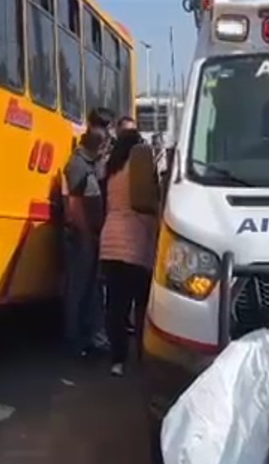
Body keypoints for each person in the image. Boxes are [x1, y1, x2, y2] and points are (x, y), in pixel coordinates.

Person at [98, 128, 160, 376]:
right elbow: (149, 205)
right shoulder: (138, 172)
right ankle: (143, 356)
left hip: (110, 241)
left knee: (116, 306)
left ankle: (117, 361)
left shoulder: (110, 170)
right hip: (135, 241)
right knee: (142, 304)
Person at [62, 126, 110, 358]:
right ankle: (74, 340)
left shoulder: (85, 164)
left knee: (89, 289)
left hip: (87, 236)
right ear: (98, 146)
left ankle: (86, 337)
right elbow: (74, 205)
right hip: (81, 238)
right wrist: (87, 235)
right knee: (78, 290)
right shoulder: (77, 166)